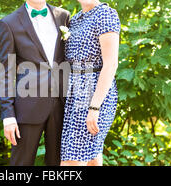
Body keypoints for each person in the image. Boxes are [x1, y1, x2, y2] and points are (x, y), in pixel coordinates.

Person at [0, 0, 70, 166]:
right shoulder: (9, 23)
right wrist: (8, 115)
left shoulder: (63, 16)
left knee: (58, 165)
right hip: (27, 106)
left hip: (62, 104)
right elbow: (5, 72)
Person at [60, 0, 121, 166]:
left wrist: (94, 107)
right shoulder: (75, 19)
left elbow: (111, 64)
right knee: (92, 158)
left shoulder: (105, 14)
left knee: (71, 161)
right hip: (74, 94)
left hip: (94, 92)